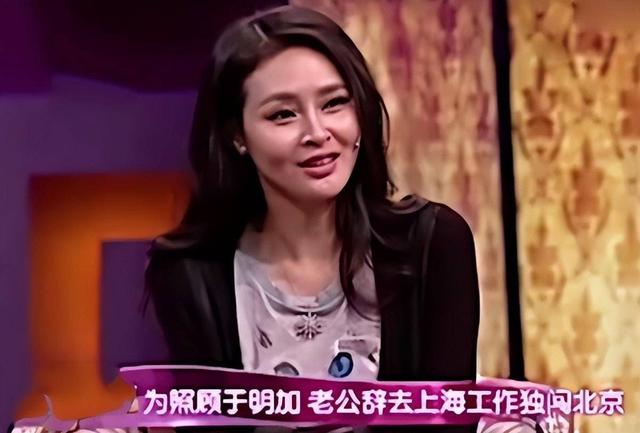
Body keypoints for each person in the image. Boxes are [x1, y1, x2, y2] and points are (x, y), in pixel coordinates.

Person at [145, 5, 483, 433]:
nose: (318, 133)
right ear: (237, 135)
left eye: (334, 103)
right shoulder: (191, 275)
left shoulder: (433, 246)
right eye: (282, 114)